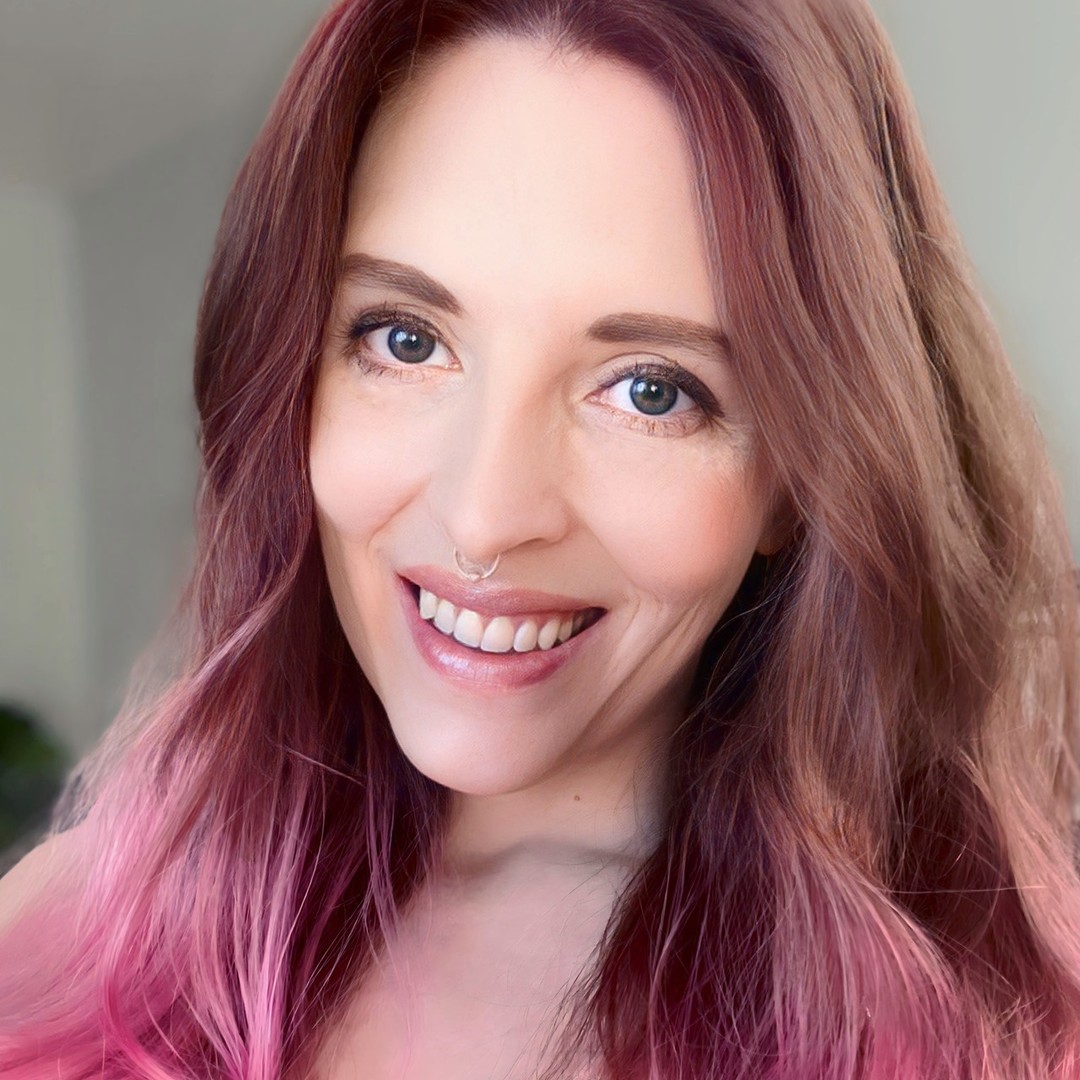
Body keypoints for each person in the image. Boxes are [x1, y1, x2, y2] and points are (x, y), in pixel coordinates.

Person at [1, 0, 1079, 1076]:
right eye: (405, 338)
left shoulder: (987, 1035)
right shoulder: (63, 936)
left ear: (801, 481)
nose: (485, 515)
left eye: (652, 391)